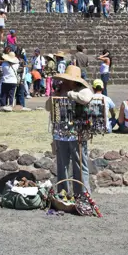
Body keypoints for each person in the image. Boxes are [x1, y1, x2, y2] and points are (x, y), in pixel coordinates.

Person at [47, 65, 93, 194]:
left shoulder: (83, 90)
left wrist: (69, 94)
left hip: (77, 133)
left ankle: (82, 193)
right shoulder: (60, 91)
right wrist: (55, 95)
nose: (65, 82)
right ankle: (63, 193)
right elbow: (48, 107)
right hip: (61, 133)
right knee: (62, 165)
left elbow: (85, 98)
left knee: (79, 164)